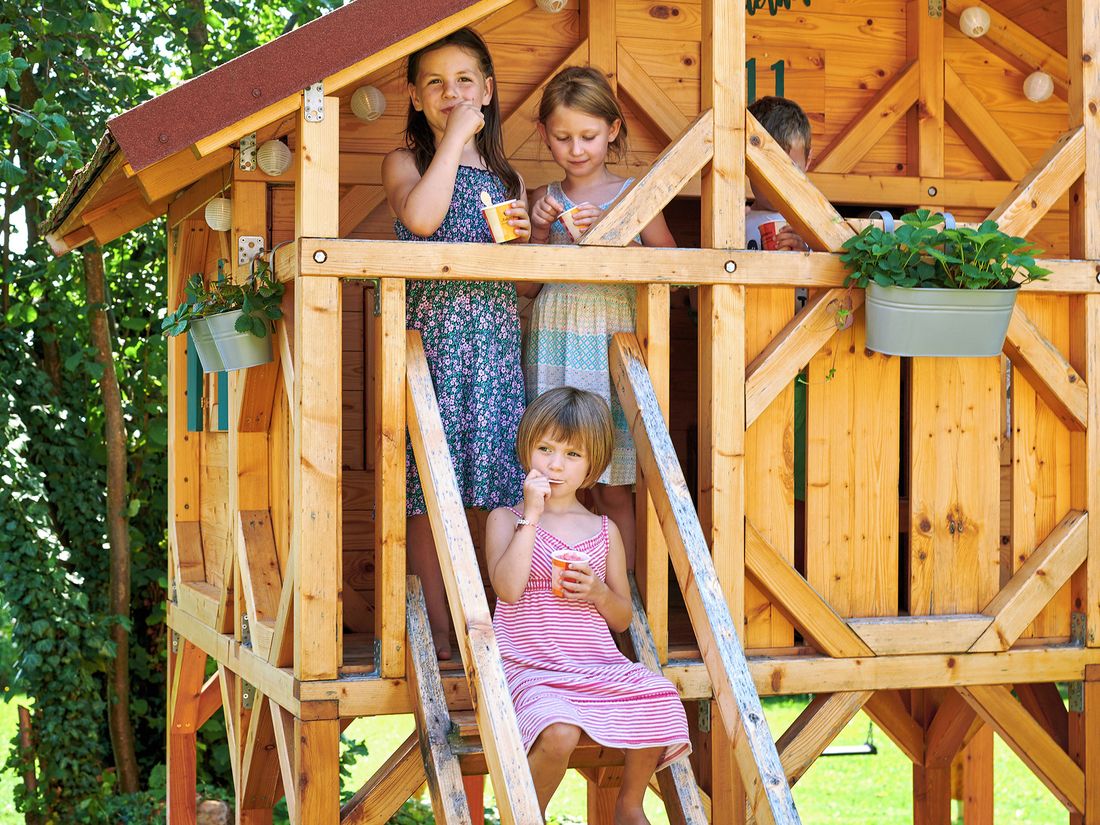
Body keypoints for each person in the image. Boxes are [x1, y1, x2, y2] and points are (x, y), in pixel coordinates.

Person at [382, 28, 534, 659]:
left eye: (465, 81)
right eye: (436, 84)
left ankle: (499, 630)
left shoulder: (507, 174)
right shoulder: (406, 162)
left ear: (488, 91)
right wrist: (452, 142)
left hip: (494, 346)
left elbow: (518, 273)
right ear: (416, 97)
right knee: (427, 489)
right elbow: (421, 219)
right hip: (432, 347)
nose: (452, 93)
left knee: (494, 484)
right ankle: (441, 634)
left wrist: (528, 235)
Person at [485, 387, 691, 822]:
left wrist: (598, 592)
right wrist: (533, 516)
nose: (555, 464)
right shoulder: (506, 519)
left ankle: (629, 805)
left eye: (572, 455)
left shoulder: (604, 529)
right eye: (545, 449)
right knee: (559, 733)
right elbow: (507, 590)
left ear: (592, 467)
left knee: (658, 694)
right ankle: (525, 816)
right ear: (527, 449)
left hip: (593, 664)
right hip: (528, 665)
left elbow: (621, 618)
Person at [524, 66, 676, 569]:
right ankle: (551, 603)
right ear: (545, 134)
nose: (576, 148)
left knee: (613, 484)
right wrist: (541, 232)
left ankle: (619, 602)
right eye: (563, 137)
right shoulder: (542, 198)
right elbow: (524, 286)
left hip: (611, 344)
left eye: (588, 136)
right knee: (551, 479)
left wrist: (621, 239)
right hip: (554, 339)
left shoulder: (636, 198)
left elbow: (671, 272)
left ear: (612, 130)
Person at [745, 95, 812, 252]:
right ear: (747, 165)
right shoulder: (739, 222)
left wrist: (804, 255)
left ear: (808, 162)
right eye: (766, 170)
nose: (778, 183)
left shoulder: (815, 226)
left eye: (790, 169)